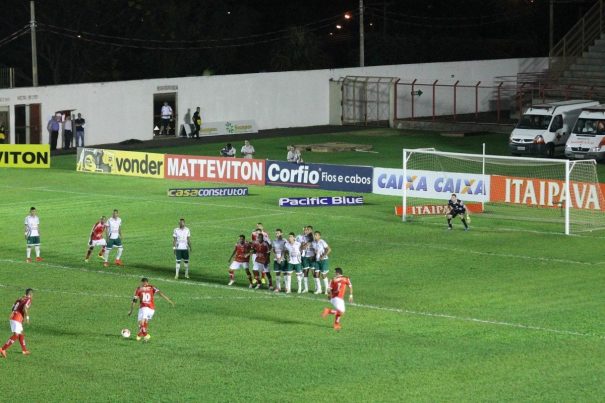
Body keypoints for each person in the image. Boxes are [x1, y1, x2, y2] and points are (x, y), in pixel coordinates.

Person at [128, 278, 174, 342]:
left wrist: (131, 310)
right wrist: (168, 300)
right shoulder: (152, 287)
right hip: (150, 309)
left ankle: (146, 335)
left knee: (142, 322)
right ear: (147, 282)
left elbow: (134, 301)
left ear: (142, 282)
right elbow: (160, 293)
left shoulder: (139, 289)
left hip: (145, 308)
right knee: (143, 323)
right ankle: (140, 334)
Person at [0, 288, 33, 357]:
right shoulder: (28, 299)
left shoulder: (20, 299)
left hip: (13, 317)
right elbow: (25, 308)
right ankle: (3, 349)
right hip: (17, 318)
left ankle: (24, 350)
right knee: (16, 335)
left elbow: (12, 308)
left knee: (21, 333)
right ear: (30, 294)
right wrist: (27, 317)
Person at [297, 226, 315, 293]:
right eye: (305, 230)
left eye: (307, 230)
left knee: (314, 272)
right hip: (304, 256)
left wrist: (305, 245)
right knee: (305, 271)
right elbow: (298, 246)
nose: (306, 231)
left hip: (312, 256)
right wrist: (302, 246)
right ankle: (306, 288)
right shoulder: (299, 237)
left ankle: (317, 288)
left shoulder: (311, 237)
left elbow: (313, 240)